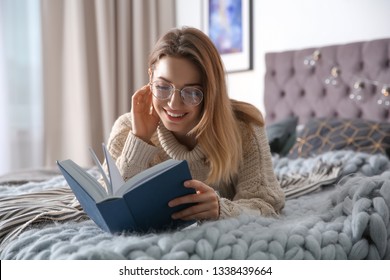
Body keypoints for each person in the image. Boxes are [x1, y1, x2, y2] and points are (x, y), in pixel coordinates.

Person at [105, 26, 285, 222]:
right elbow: (112, 202)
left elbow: (266, 204)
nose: (173, 104)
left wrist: (220, 209)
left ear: (210, 92)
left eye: (191, 92)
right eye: (163, 87)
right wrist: (139, 140)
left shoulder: (244, 128)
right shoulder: (126, 128)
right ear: (151, 77)